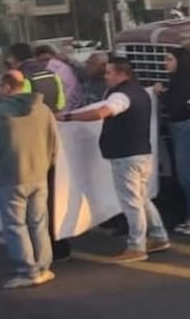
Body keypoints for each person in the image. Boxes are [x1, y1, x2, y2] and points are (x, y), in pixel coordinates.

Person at [61, 57, 170, 263]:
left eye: (109, 72)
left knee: (131, 202)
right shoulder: (140, 92)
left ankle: (136, 246)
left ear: (121, 74)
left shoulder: (121, 96)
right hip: (142, 153)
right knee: (142, 198)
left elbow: (103, 112)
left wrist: (68, 117)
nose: (106, 76)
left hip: (125, 156)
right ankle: (158, 236)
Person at [0, 71, 58, 289]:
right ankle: (43, 268)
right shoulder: (43, 109)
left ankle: (27, 271)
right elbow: (54, 140)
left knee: (15, 225)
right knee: (39, 224)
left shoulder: (0, 111)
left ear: (6, 87)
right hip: (39, 174)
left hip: (12, 176)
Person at [7, 43, 71, 261]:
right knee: (54, 195)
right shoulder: (50, 74)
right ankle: (61, 245)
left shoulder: (21, 79)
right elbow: (61, 102)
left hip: (31, 143)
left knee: (36, 206)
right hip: (53, 135)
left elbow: (21, 108)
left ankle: (42, 250)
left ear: (14, 59)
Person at [151, 46, 190, 236]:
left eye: (169, 59)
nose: (165, 63)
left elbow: (176, 104)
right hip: (183, 129)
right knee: (186, 174)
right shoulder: (180, 81)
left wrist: (161, 94)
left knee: (188, 176)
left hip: (187, 128)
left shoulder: (186, 83)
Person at [7, 43, 65, 114]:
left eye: (9, 57)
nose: (8, 60)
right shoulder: (52, 75)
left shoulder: (19, 78)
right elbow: (61, 104)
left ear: (14, 58)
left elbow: (20, 108)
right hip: (54, 119)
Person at [35, 45, 83, 113]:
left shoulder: (60, 68)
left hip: (69, 108)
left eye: (47, 59)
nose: (45, 63)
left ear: (54, 57)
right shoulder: (41, 73)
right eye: (41, 61)